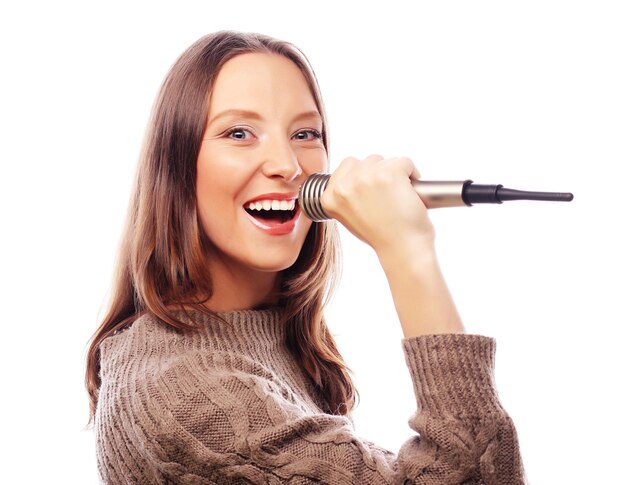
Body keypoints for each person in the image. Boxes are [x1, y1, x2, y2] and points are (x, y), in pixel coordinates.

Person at [85, 30, 526, 484]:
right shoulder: (188, 393)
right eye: (239, 133)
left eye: (305, 133)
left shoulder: (268, 341)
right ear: (176, 167)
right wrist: (408, 252)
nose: (288, 164)